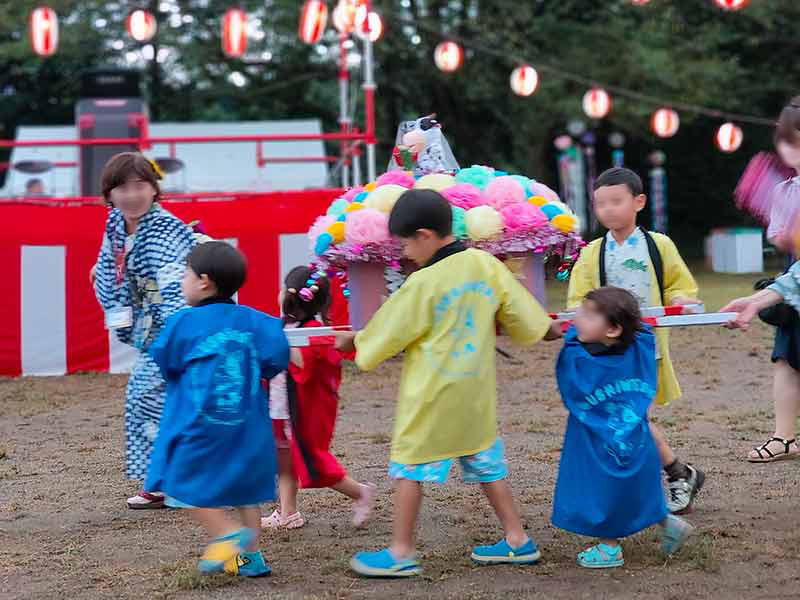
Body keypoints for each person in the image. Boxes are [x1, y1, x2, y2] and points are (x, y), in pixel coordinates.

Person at [336, 189, 563, 578]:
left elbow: (388, 332)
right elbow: (521, 310)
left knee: (410, 467)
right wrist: (547, 330)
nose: (405, 252)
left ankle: (402, 550)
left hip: (432, 393)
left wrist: (355, 342)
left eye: (406, 242)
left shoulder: (423, 283)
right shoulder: (484, 264)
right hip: (474, 392)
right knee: (486, 461)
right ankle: (516, 539)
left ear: (425, 235)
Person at [145, 241, 289, 577]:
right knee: (245, 489)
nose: (182, 280)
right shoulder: (257, 322)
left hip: (198, 426)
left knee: (178, 479)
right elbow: (275, 358)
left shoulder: (182, 323)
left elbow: (166, 362)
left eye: (186, 274)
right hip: (246, 425)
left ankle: (226, 534)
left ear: (204, 281)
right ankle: (250, 557)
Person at [567, 167, 704, 515]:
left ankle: (671, 479)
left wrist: (683, 301)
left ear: (639, 202)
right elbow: (577, 300)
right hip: (607, 355)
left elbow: (679, 285)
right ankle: (677, 474)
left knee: (631, 420)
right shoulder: (592, 252)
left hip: (646, 351)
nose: (608, 210)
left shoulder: (659, 245)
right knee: (628, 421)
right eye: (600, 204)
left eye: (617, 201)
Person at [552, 286, 694, 568]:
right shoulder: (638, 352)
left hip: (596, 445)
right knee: (637, 488)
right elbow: (642, 334)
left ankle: (610, 548)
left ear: (614, 329)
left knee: (602, 490)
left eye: (588, 316)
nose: (577, 318)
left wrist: (568, 335)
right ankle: (669, 523)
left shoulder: (580, 360)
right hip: (637, 442)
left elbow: (569, 367)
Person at [93, 152, 196, 509]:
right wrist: (116, 311)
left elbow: (175, 293)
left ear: (154, 190)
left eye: (140, 185)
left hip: (179, 327)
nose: (131, 194)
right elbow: (106, 267)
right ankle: (162, 481)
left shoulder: (164, 231)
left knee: (147, 396)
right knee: (157, 401)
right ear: (110, 194)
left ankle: (182, 480)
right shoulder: (116, 224)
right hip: (152, 325)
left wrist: (175, 341)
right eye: (122, 187)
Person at [262, 265, 375, 530]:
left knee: (313, 463)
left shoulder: (313, 330)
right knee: (283, 459)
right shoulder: (283, 325)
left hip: (300, 410)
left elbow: (304, 366)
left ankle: (360, 493)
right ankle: (288, 512)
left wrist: (283, 345)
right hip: (279, 405)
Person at [723, 99, 800, 462]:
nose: (788, 149)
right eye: (784, 141)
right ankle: (784, 437)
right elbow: (782, 237)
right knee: (786, 359)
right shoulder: (787, 189)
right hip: (793, 278)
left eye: (796, 141)